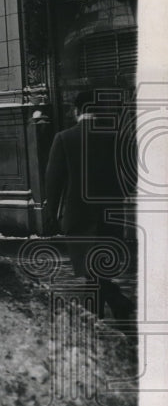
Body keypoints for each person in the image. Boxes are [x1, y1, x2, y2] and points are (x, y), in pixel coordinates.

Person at [43, 90, 133, 321]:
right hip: (110, 218)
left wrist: (50, 214)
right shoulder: (116, 137)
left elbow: (53, 182)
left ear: (77, 111)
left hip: (78, 218)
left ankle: (101, 318)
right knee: (97, 272)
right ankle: (115, 306)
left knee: (92, 273)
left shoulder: (64, 138)